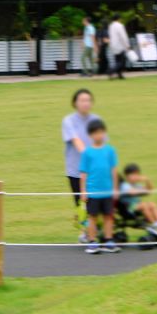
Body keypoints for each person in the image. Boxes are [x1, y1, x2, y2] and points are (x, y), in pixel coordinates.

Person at [78, 120, 121, 254]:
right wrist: (83, 191)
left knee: (109, 216)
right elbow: (83, 173)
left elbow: (114, 171)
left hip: (107, 192)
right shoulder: (87, 153)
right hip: (93, 192)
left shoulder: (110, 151)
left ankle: (109, 241)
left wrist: (115, 189)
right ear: (91, 135)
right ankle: (92, 242)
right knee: (92, 217)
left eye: (101, 132)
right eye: (96, 133)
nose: (99, 135)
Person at [62, 88, 101, 233]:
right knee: (81, 204)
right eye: (82, 100)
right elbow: (76, 141)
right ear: (75, 103)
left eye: (88, 100)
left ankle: (96, 232)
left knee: (97, 203)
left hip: (95, 171)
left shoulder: (96, 120)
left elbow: (102, 143)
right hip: (76, 170)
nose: (86, 103)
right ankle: (85, 233)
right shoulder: (68, 121)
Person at [119, 163, 157, 236]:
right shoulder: (125, 185)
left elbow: (149, 190)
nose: (136, 177)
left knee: (152, 204)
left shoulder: (137, 185)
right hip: (128, 208)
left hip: (137, 206)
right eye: (134, 175)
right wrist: (141, 191)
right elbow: (131, 192)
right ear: (127, 176)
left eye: (137, 174)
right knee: (144, 205)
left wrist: (147, 181)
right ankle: (154, 225)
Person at [107, 15, 130, 80]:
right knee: (122, 62)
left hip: (113, 45)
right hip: (120, 45)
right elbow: (123, 36)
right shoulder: (120, 26)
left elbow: (110, 36)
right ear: (119, 18)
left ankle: (120, 75)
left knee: (117, 61)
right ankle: (111, 71)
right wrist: (127, 45)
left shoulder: (110, 26)